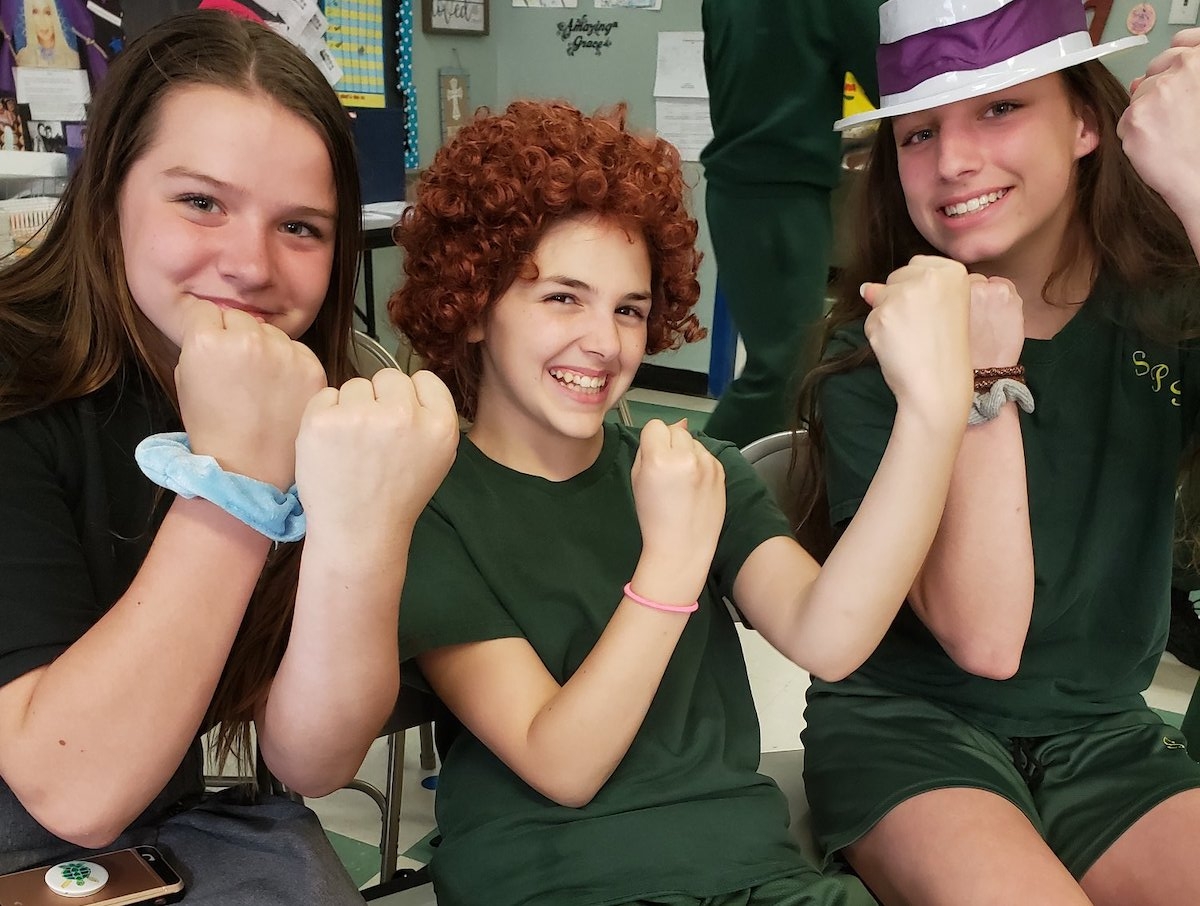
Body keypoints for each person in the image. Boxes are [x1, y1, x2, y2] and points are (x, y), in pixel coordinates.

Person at [389, 98, 975, 906]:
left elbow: (830, 637)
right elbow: (560, 763)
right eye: (563, 297)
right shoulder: (430, 502)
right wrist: (670, 564)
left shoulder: (696, 473)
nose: (606, 342)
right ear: (473, 302)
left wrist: (932, 414)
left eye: (629, 309)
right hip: (554, 882)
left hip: (754, 873)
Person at [0, 10, 458, 903]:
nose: (251, 265)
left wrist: (367, 531)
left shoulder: (330, 395)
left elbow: (312, 759)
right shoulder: (20, 384)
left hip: (186, 824)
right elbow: (75, 790)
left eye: (301, 227)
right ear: (109, 196)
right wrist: (236, 477)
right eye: (202, 202)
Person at [794, 1, 1200, 903]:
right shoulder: (874, 348)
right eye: (919, 132)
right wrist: (985, 373)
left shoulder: (1162, 310)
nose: (952, 161)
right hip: (909, 730)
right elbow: (984, 640)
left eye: (1000, 108)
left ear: (1087, 123)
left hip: (1107, 732)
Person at [698, 0, 883, 448]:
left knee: (786, 363)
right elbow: (892, 79)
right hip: (783, 191)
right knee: (784, 370)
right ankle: (693, 466)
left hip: (735, 188)